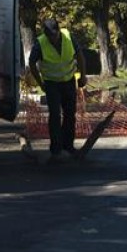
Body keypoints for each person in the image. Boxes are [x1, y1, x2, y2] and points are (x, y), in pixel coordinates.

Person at [28, 18, 87, 159]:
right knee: (55, 114)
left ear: (58, 31)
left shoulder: (68, 36)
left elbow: (80, 56)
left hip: (68, 81)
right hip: (51, 83)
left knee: (70, 114)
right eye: (49, 36)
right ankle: (56, 148)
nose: (52, 38)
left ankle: (68, 145)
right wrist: (40, 83)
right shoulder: (40, 43)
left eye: (54, 35)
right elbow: (31, 63)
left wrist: (83, 76)